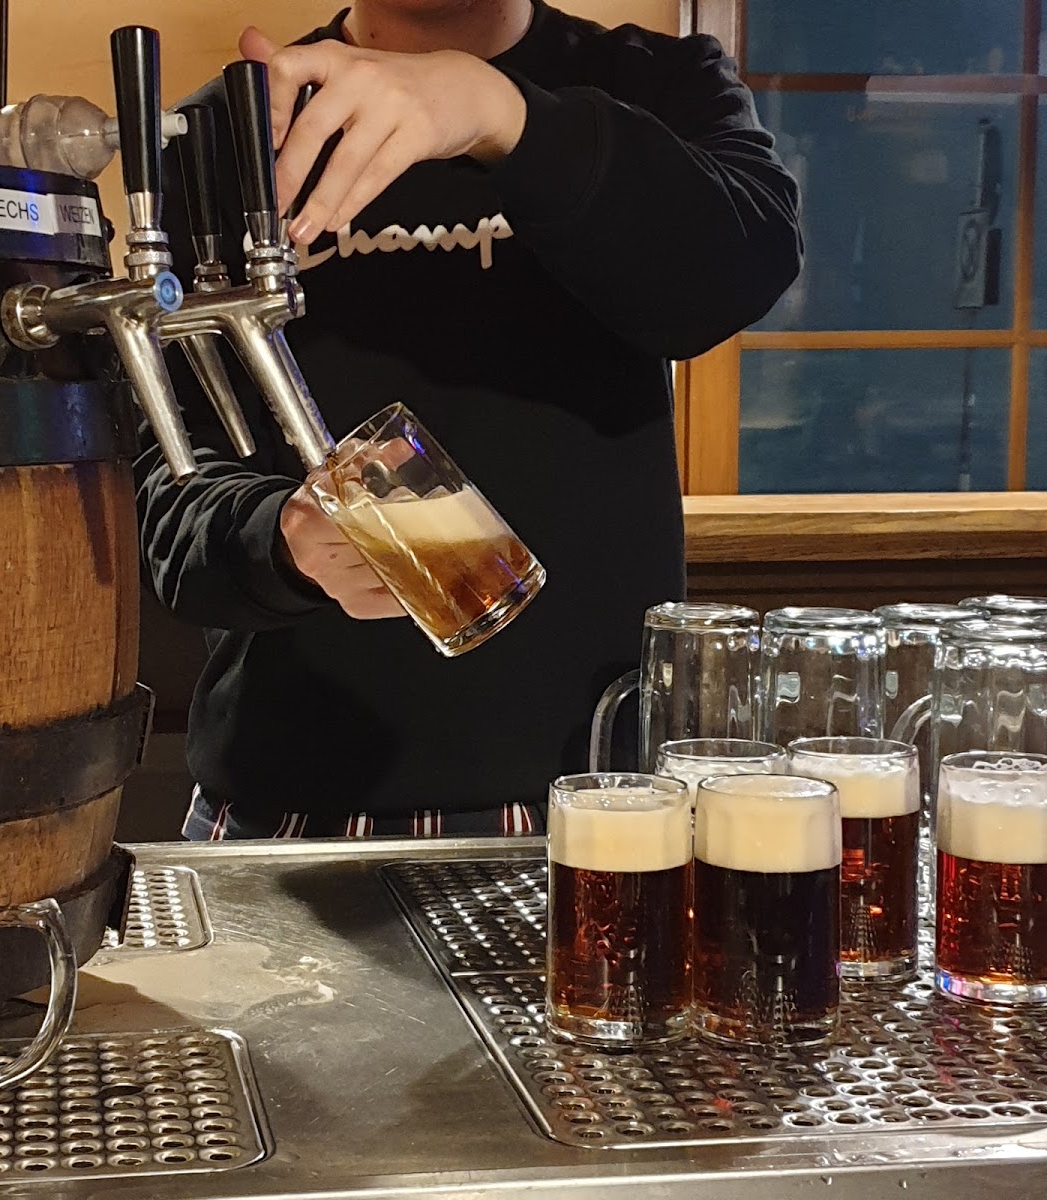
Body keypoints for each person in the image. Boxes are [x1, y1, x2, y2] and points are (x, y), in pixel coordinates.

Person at [137, 0, 802, 840]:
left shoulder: (659, 81)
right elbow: (168, 495)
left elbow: (737, 271)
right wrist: (282, 541)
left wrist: (502, 114)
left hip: (602, 806)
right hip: (289, 804)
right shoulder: (225, 134)